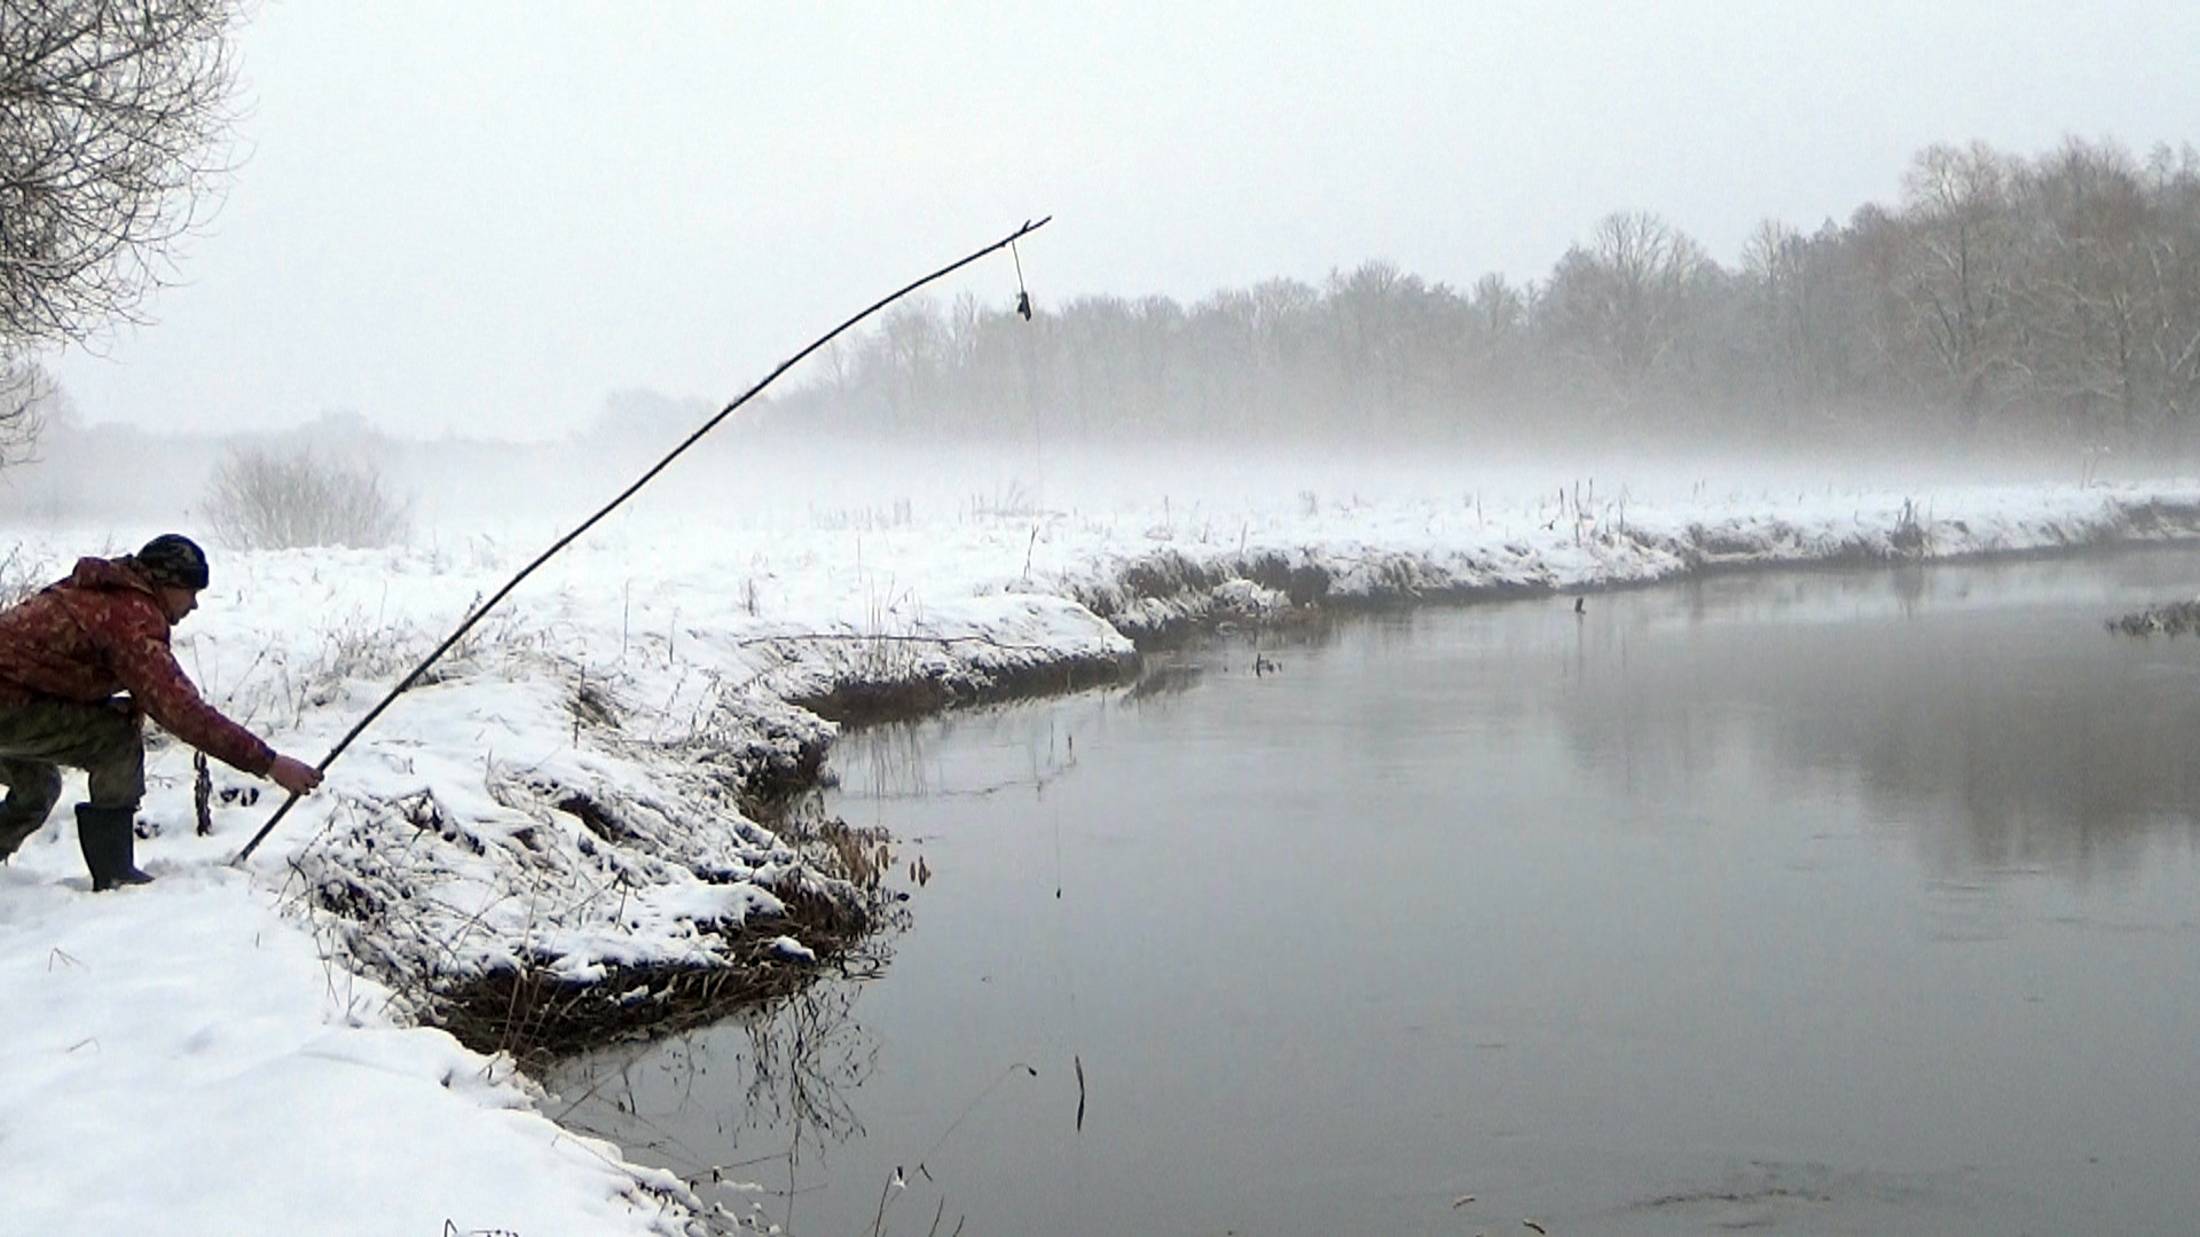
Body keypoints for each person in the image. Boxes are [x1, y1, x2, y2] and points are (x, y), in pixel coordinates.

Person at [0, 534, 322, 890]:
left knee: (38, 786)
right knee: (114, 739)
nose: (194, 605)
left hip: (13, 700)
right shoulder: (131, 617)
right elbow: (183, 712)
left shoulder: (104, 594)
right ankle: (116, 876)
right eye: (191, 592)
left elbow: (53, 668)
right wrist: (271, 763)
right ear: (166, 583)